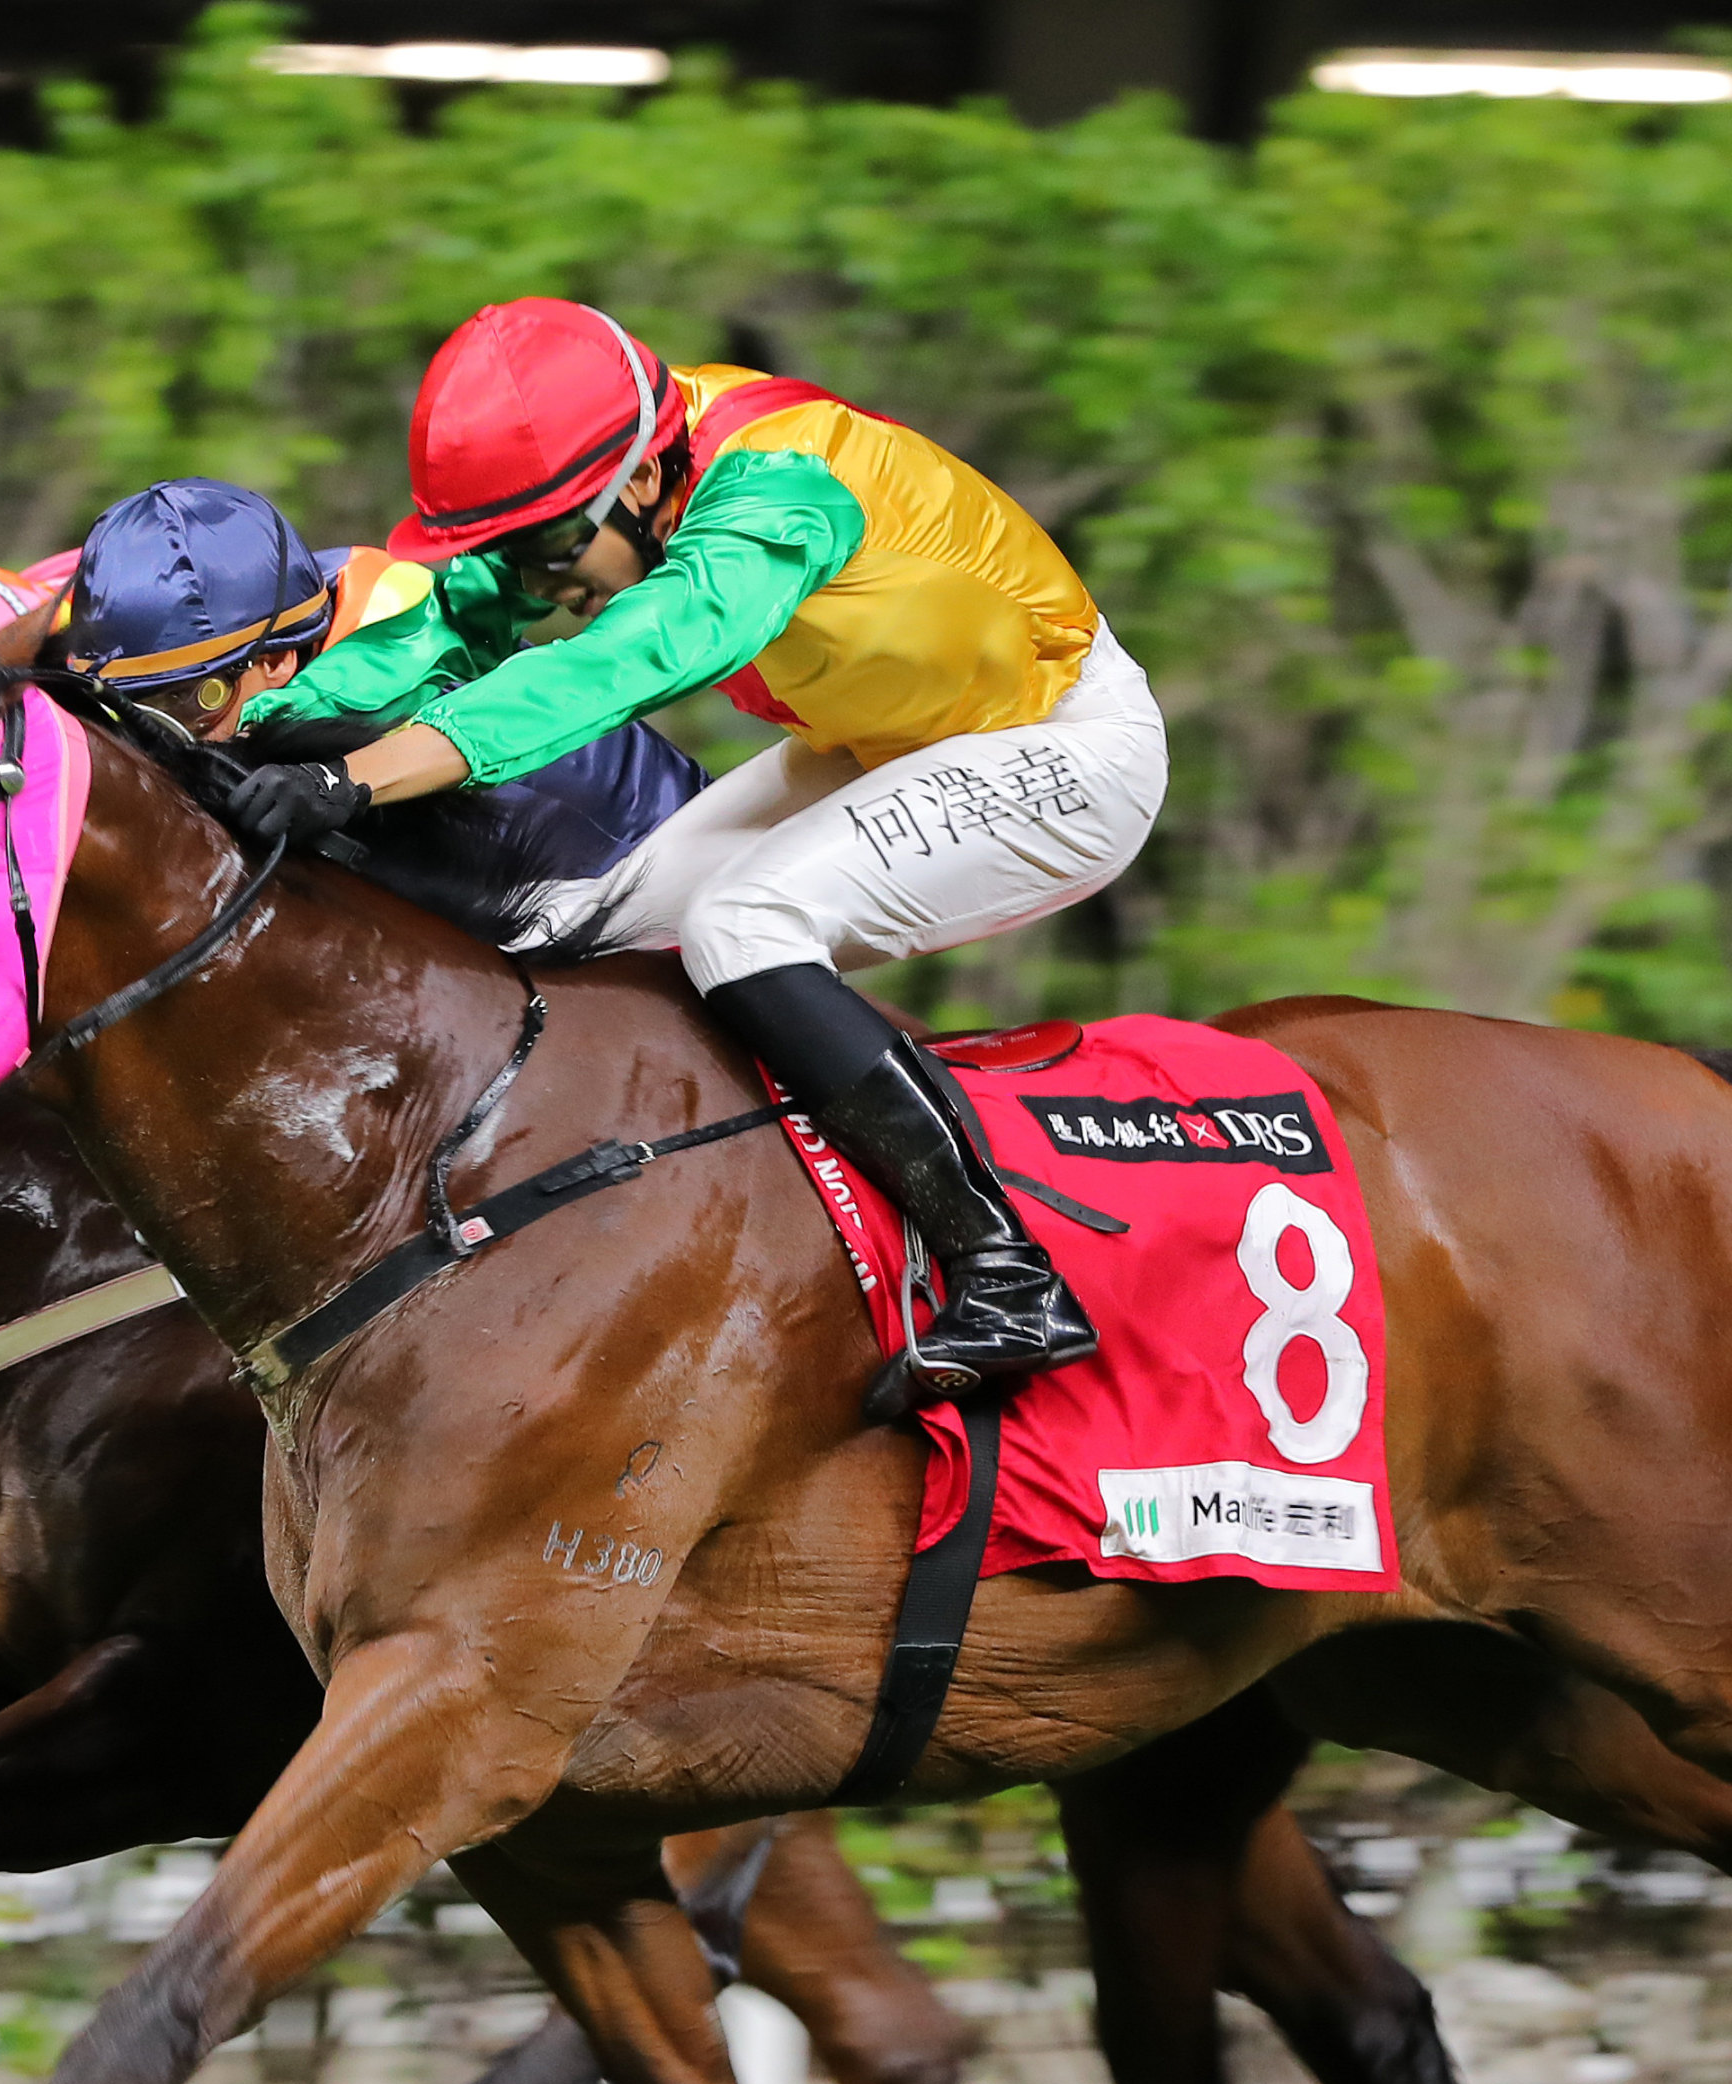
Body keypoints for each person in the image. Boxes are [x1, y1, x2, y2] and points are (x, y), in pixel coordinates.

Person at [215, 300, 1159, 1404]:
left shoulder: (779, 494)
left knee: (742, 926)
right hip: (893, 737)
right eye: (508, 548)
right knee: (591, 924)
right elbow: (447, 626)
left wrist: (357, 779)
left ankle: (1008, 1268)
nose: (537, 579)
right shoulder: (620, 469)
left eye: (551, 551)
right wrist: (245, 730)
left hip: (1062, 748)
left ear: (649, 486)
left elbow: (614, 666)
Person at [55, 476, 703, 881]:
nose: (163, 741)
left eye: (194, 701)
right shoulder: (284, 611)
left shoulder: (368, 704)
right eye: (130, 711)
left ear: (276, 661)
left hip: (651, 863)